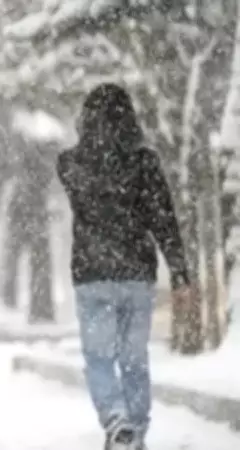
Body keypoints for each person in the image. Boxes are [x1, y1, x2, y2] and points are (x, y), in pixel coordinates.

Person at [56, 83, 192, 450]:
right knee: (134, 360)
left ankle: (117, 422)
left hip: (93, 274)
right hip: (136, 274)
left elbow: (92, 188)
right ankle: (136, 431)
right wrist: (179, 269)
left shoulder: (70, 163)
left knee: (99, 358)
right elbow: (163, 218)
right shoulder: (145, 162)